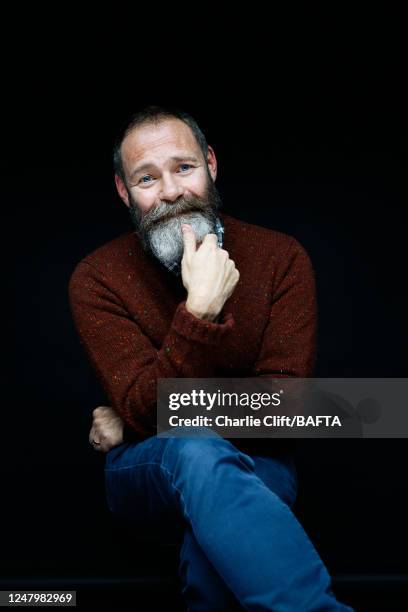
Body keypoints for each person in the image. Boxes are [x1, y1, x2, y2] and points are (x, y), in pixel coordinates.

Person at [68, 105, 354, 611]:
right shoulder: (97, 277)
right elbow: (149, 411)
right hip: (145, 473)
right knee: (194, 447)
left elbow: (288, 414)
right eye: (146, 178)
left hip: (263, 462)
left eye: (184, 167)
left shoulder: (281, 257)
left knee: (218, 550)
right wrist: (199, 310)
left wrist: (138, 417)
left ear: (211, 164)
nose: (171, 191)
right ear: (123, 190)